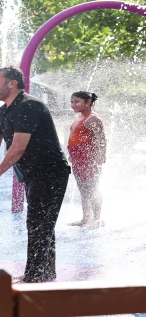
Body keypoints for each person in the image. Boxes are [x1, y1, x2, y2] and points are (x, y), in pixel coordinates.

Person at [0, 66, 71, 284]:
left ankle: (35, 276)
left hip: (50, 172)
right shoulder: (4, 111)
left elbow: (18, 147)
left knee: (39, 222)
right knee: (42, 222)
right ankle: (44, 273)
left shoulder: (28, 106)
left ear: (11, 83)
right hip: (34, 174)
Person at [67, 91, 106, 228]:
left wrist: (100, 158)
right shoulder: (79, 118)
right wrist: (71, 154)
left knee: (93, 188)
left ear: (88, 102)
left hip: (89, 159)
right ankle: (86, 218)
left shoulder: (92, 118)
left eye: (77, 102)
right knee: (83, 190)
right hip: (78, 160)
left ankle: (98, 218)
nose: (73, 105)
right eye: (72, 102)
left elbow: (101, 139)